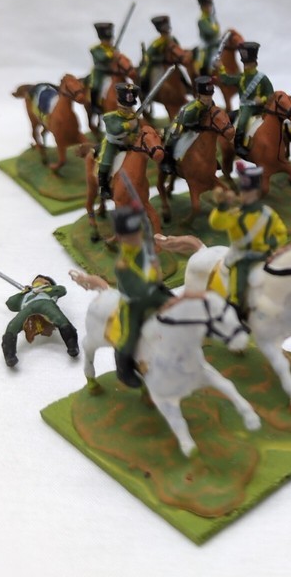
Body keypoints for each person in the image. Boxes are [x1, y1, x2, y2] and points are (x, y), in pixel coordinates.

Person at [209, 163, 288, 318]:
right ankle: (236, 306)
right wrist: (222, 206)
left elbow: (282, 233)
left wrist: (270, 244)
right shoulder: (235, 215)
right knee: (239, 279)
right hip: (242, 256)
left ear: (256, 193)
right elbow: (217, 223)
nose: (245, 196)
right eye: (243, 192)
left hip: (265, 254)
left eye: (249, 192)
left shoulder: (268, 214)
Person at [113, 204, 173, 387]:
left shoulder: (145, 247)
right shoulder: (123, 264)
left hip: (155, 292)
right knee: (129, 337)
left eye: (136, 234)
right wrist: (154, 276)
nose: (135, 238)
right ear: (121, 237)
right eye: (130, 236)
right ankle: (123, 369)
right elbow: (137, 290)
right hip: (135, 303)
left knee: (182, 309)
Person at [0, 275, 79, 367]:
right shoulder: (27, 293)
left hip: (45, 303)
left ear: (47, 283)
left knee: (59, 318)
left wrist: (43, 289)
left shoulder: (48, 289)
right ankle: (9, 354)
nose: (38, 281)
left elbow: (61, 290)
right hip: (28, 307)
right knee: (13, 325)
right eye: (36, 281)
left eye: (42, 280)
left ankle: (72, 344)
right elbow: (11, 303)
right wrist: (23, 293)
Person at [218, 41, 274, 158]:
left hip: (262, 106)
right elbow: (226, 80)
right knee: (243, 121)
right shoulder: (241, 78)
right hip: (247, 107)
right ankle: (238, 145)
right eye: (245, 64)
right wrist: (221, 68)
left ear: (255, 63)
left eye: (249, 64)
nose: (246, 67)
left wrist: (262, 99)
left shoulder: (262, 78)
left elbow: (270, 94)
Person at [161, 76, 215, 174]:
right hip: (181, 123)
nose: (208, 99)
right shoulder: (192, 109)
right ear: (199, 96)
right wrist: (198, 126)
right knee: (172, 137)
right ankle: (167, 162)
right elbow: (186, 123)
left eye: (210, 96)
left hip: (198, 125)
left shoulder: (211, 104)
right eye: (205, 97)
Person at [97, 83, 141, 199]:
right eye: (124, 107)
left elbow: (136, 133)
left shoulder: (134, 118)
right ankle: (104, 187)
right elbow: (114, 130)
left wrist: (131, 139)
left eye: (129, 108)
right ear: (118, 104)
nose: (127, 110)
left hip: (128, 145)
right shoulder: (109, 117)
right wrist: (128, 125)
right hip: (112, 143)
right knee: (105, 163)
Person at [139, 15, 181, 92]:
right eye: (164, 30)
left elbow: (178, 49)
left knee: (181, 73)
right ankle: (147, 89)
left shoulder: (173, 39)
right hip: (159, 65)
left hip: (173, 64)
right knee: (149, 75)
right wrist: (162, 58)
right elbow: (149, 56)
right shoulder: (157, 43)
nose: (167, 32)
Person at [86, 21, 117, 114]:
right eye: (106, 40)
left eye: (109, 39)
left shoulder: (113, 49)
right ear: (101, 39)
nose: (109, 41)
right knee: (95, 86)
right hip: (100, 72)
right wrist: (111, 54)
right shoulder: (95, 49)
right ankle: (94, 105)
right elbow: (101, 58)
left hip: (113, 72)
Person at [195, 0, 221, 74]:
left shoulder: (212, 18)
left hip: (217, 43)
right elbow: (210, 32)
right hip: (207, 45)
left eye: (209, 6)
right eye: (206, 6)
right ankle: (206, 73)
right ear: (202, 7)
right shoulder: (201, 20)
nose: (208, 8)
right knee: (206, 60)